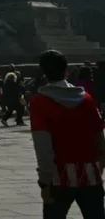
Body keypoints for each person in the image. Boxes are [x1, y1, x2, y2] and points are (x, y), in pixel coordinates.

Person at [30, 49, 105, 218]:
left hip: (58, 177)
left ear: (44, 73)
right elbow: (100, 138)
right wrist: (97, 169)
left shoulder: (39, 102)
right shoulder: (86, 99)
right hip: (90, 175)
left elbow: (43, 146)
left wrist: (45, 183)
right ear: (67, 71)